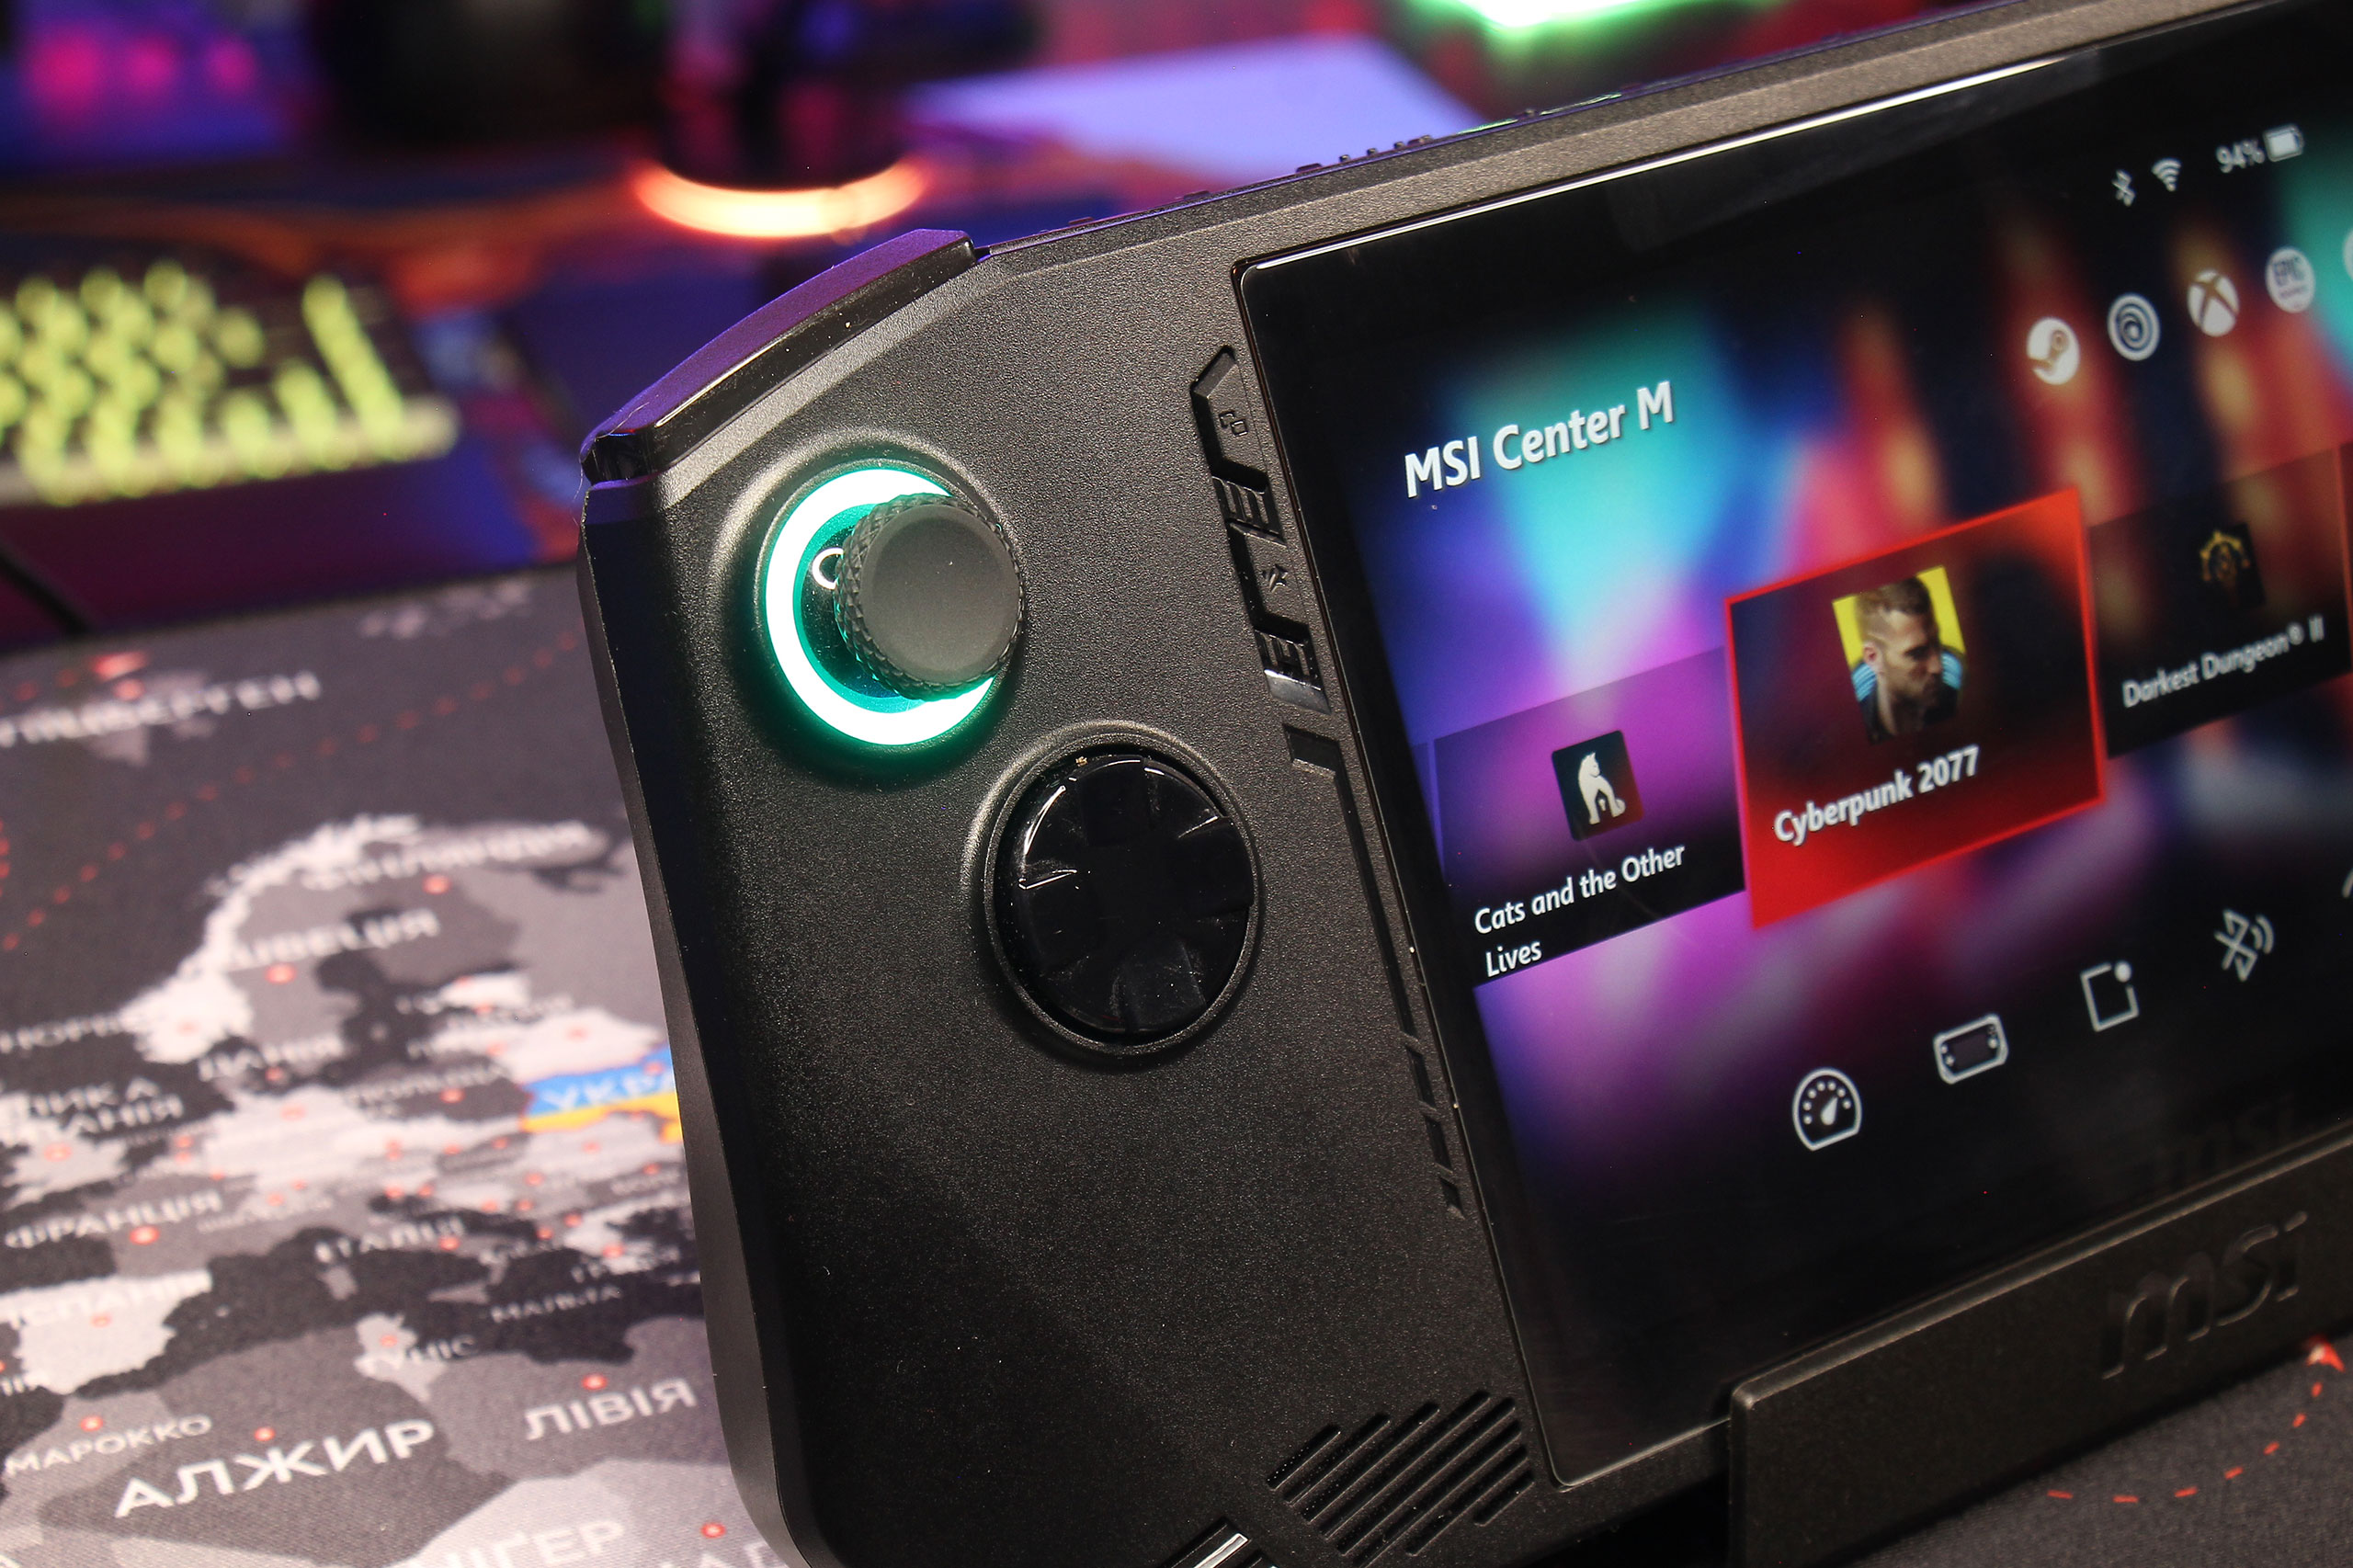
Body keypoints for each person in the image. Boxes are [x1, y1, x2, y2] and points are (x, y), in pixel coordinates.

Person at [1853, 575, 1960, 741]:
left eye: (1937, 643)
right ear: (1873, 658)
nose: (1938, 667)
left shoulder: (1963, 691)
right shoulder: (1848, 725)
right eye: (1917, 654)